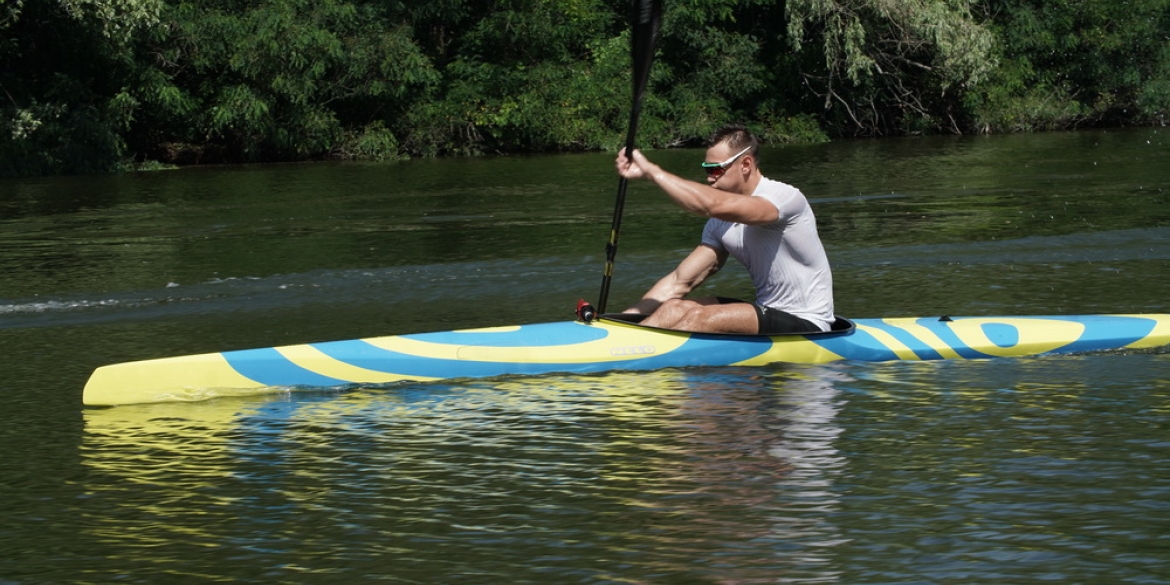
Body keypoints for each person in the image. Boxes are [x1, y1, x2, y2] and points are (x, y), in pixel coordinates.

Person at [614, 124, 834, 334]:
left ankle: (641, 358)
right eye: (707, 169)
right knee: (673, 308)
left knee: (699, 317)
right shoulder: (719, 225)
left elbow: (710, 205)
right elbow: (679, 282)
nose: (709, 177)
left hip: (808, 321)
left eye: (716, 169)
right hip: (767, 312)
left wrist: (652, 171)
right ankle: (624, 342)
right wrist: (620, 321)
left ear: (746, 164)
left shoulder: (783, 199)